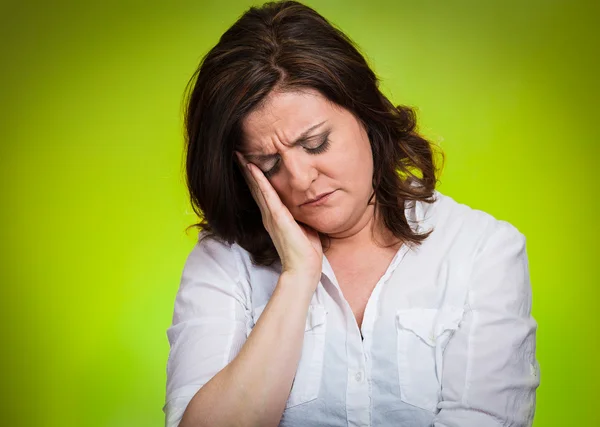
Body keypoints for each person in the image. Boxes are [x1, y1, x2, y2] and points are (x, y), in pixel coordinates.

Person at [163, 1, 540, 426]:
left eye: (316, 143)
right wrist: (297, 277)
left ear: (366, 114)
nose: (300, 177)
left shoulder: (481, 251)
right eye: (269, 164)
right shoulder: (225, 260)